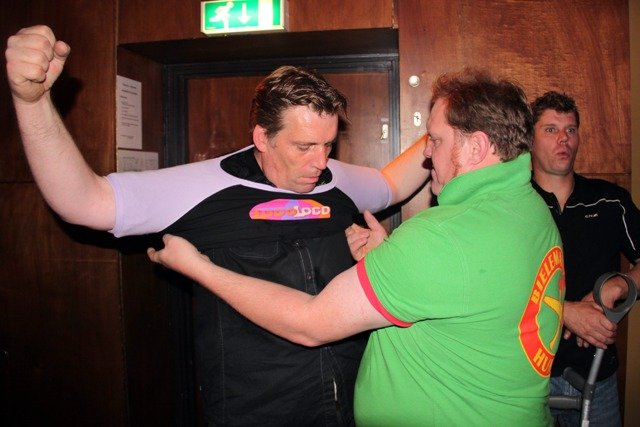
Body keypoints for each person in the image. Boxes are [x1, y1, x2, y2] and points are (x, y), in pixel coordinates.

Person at [5, 25, 430, 426]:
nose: (320, 161)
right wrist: (31, 102)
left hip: (348, 402)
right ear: (262, 137)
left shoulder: (335, 181)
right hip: (256, 411)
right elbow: (83, 202)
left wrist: (448, 126)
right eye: (304, 146)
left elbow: (391, 184)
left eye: (328, 144)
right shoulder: (203, 186)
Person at [148, 68, 565, 426]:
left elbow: (310, 323)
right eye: (305, 146)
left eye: (436, 140)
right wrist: (389, 260)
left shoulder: (443, 237)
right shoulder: (531, 209)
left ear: (477, 147)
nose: (426, 155)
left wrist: (199, 268)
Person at [530, 91, 640, 427]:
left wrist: (620, 285)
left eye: (570, 130)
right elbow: (488, 287)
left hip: (597, 377)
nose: (563, 139)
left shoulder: (610, 200)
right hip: (526, 378)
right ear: (529, 139)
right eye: (551, 129)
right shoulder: (513, 204)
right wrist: (565, 312)